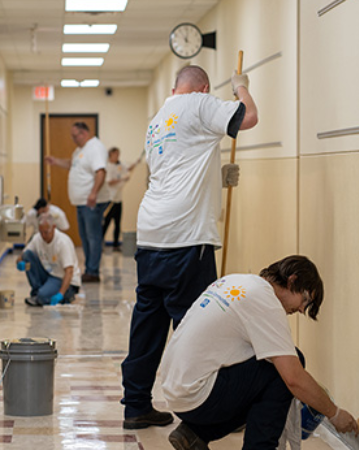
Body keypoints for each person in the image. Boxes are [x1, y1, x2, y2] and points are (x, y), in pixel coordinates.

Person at [121, 65, 258, 429]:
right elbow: (248, 118)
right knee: (198, 327)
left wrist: (217, 177)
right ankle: (202, 415)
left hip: (151, 233)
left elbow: (178, 165)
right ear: (202, 87)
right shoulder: (200, 102)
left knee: (147, 325)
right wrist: (241, 88)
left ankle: (135, 406)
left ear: (174, 86)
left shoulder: (158, 118)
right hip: (187, 238)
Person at [159, 255, 359, 449]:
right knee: (284, 368)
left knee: (270, 369)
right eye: (304, 300)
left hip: (176, 391)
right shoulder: (265, 301)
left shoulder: (237, 281)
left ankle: (195, 433)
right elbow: (294, 378)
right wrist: (334, 414)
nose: (300, 309)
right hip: (197, 396)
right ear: (292, 281)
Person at [45, 122, 109, 283]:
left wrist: (93, 193)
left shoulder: (95, 147)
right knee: (85, 237)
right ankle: (89, 268)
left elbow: (101, 172)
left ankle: (93, 271)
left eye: (75, 136)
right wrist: (55, 161)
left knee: (93, 237)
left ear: (84, 133)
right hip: (81, 202)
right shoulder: (80, 150)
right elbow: (72, 164)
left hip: (91, 202)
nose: (73, 139)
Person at [17, 214, 81, 306]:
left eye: (46, 232)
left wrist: (60, 294)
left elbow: (69, 271)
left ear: (54, 227)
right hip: (51, 274)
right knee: (28, 255)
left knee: (43, 297)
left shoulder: (63, 242)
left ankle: (66, 295)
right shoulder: (37, 238)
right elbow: (22, 256)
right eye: (41, 232)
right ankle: (37, 293)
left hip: (65, 279)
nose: (43, 236)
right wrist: (20, 263)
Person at [102, 147, 139, 251]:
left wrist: (136, 163)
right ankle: (100, 244)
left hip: (118, 200)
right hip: (110, 199)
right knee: (106, 223)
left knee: (117, 223)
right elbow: (109, 181)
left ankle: (115, 245)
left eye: (118, 154)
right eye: (115, 154)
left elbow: (127, 169)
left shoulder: (120, 165)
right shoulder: (107, 166)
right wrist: (122, 179)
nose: (117, 156)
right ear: (110, 155)